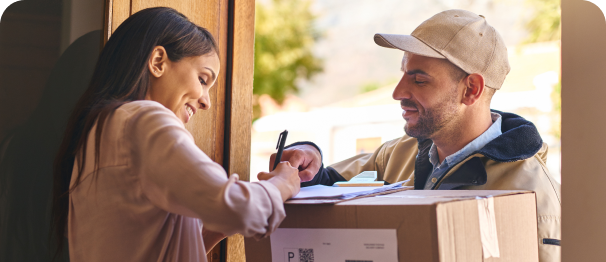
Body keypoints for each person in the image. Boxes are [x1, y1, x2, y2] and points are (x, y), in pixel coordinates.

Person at [269, 9, 560, 262]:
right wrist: (308, 158)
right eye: (403, 74)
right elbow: (329, 183)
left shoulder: (534, 197)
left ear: (471, 89)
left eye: (419, 80)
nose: (398, 93)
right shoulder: (394, 156)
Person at [51, 7, 300, 262]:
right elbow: (243, 210)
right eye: (203, 79)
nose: (207, 103)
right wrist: (283, 184)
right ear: (158, 61)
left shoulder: (99, 132)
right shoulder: (145, 120)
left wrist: (211, 231)